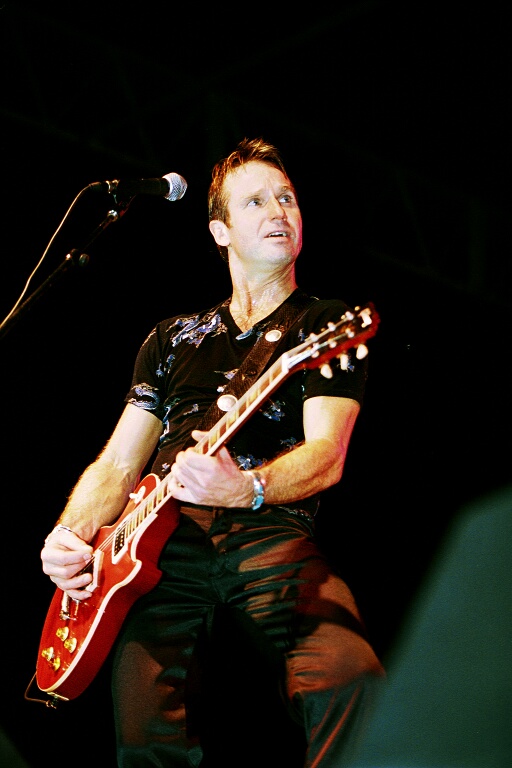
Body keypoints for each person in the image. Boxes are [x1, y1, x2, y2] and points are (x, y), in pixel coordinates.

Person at [40, 137, 385, 767]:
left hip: (267, 528)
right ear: (220, 231)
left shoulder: (323, 324)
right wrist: (70, 533)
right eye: (256, 202)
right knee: (144, 740)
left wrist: (247, 487)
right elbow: (118, 464)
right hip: (157, 545)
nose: (278, 211)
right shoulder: (171, 338)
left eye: (287, 198)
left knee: (349, 678)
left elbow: (327, 454)